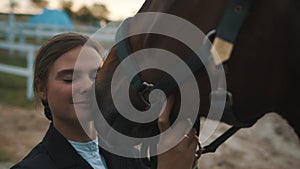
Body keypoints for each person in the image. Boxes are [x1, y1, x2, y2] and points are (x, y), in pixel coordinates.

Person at [11, 33, 200, 169]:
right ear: (41, 88)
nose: (87, 86)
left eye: (96, 76)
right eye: (70, 78)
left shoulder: (132, 155)